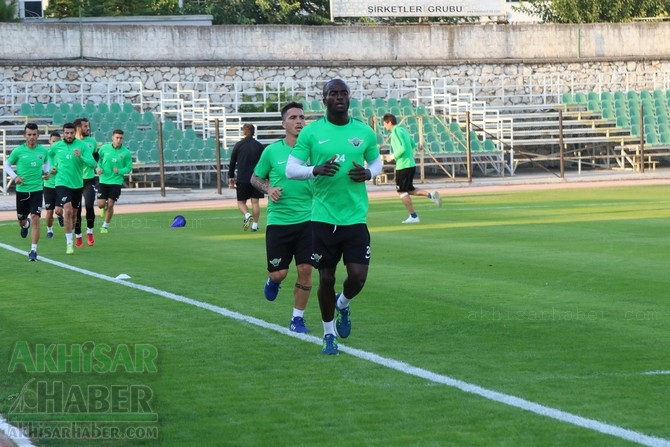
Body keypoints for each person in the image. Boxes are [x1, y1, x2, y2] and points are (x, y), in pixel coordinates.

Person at [286, 79, 383, 355]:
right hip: (323, 219)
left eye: (344, 93)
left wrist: (370, 173)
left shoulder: (364, 132)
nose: (339, 97)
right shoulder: (312, 133)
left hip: (355, 217)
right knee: (325, 279)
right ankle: (329, 335)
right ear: (324, 99)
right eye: (333, 94)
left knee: (358, 278)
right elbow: (292, 169)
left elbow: (377, 160)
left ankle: (343, 303)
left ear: (349, 98)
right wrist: (315, 169)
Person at [250, 102, 313, 334]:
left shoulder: (312, 149)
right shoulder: (271, 151)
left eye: (302, 117)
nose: (299, 121)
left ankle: (297, 318)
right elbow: (255, 178)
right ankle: (273, 281)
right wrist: (268, 189)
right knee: (280, 272)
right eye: (294, 117)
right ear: (283, 123)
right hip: (279, 221)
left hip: (309, 219)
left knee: (306, 269)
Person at [382, 113, 442, 223]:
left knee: (401, 191)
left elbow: (403, 148)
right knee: (409, 189)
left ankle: (414, 216)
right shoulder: (403, 130)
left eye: (385, 124)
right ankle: (431, 195)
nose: (384, 126)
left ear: (389, 122)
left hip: (403, 166)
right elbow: (413, 144)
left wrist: (392, 156)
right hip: (409, 164)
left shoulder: (396, 132)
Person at [4, 123, 50, 261]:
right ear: (24, 136)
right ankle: (25, 225)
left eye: (34, 134)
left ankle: (33, 250)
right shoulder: (18, 151)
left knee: (36, 218)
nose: (32, 137)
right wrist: (15, 177)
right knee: (21, 220)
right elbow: (6, 165)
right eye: (29, 134)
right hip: (22, 191)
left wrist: (46, 171)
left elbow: (46, 161)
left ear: (38, 135)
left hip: (37, 189)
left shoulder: (43, 151)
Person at [49, 122, 96, 254]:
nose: (69, 135)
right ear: (63, 133)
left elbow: (93, 163)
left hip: (77, 184)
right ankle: (69, 243)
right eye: (66, 133)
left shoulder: (82, 146)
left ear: (74, 132)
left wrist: (80, 156)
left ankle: (73, 233)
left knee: (75, 213)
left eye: (71, 133)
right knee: (68, 210)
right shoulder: (57, 146)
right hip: (62, 182)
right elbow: (49, 155)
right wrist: (52, 166)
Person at [228, 123, 264, 231]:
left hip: (243, 177)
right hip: (256, 178)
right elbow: (264, 163)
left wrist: (231, 177)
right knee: (255, 202)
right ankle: (255, 225)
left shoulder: (238, 145)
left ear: (244, 132)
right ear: (253, 132)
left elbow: (232, 162)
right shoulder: (259, 146)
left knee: (241, 202)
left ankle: (247, 215)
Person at [96, 129, 133, 233]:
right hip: (103, 180)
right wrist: (98, 168)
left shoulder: (126, 153)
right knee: (100, 204)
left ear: (123, 139)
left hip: (116, 181)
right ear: (112, 137)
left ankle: (105, 226)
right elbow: (98, 161)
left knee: (111, 203)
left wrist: (120, 171)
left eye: (121, 138)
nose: (118, 140)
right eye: (117, 137)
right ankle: (103, 207)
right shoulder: (104, 148)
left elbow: (129, 167)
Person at [74, 117, 98, 246]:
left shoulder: (92, 142)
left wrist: (96, 166)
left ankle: (89, 231)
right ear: (78, 128)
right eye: (85, 126)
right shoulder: (71, 143)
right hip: (75, 180)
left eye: (88, 126)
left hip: (89, 179)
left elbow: (95, 156)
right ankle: (78, 235)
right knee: (76, 210)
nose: (88, 128)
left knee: (89, 205)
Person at [43, 131, 62, 239]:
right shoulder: (45, 153)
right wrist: (48, 172)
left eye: (57, 142)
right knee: (49, 212)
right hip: (48, 186)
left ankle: (60, 215)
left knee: (58, 210)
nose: (55, 144)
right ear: (49, 141)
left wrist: (57, 170)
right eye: (53, 141)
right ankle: (49, 230)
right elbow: (42, 167)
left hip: (60, 185)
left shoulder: (62, 154)